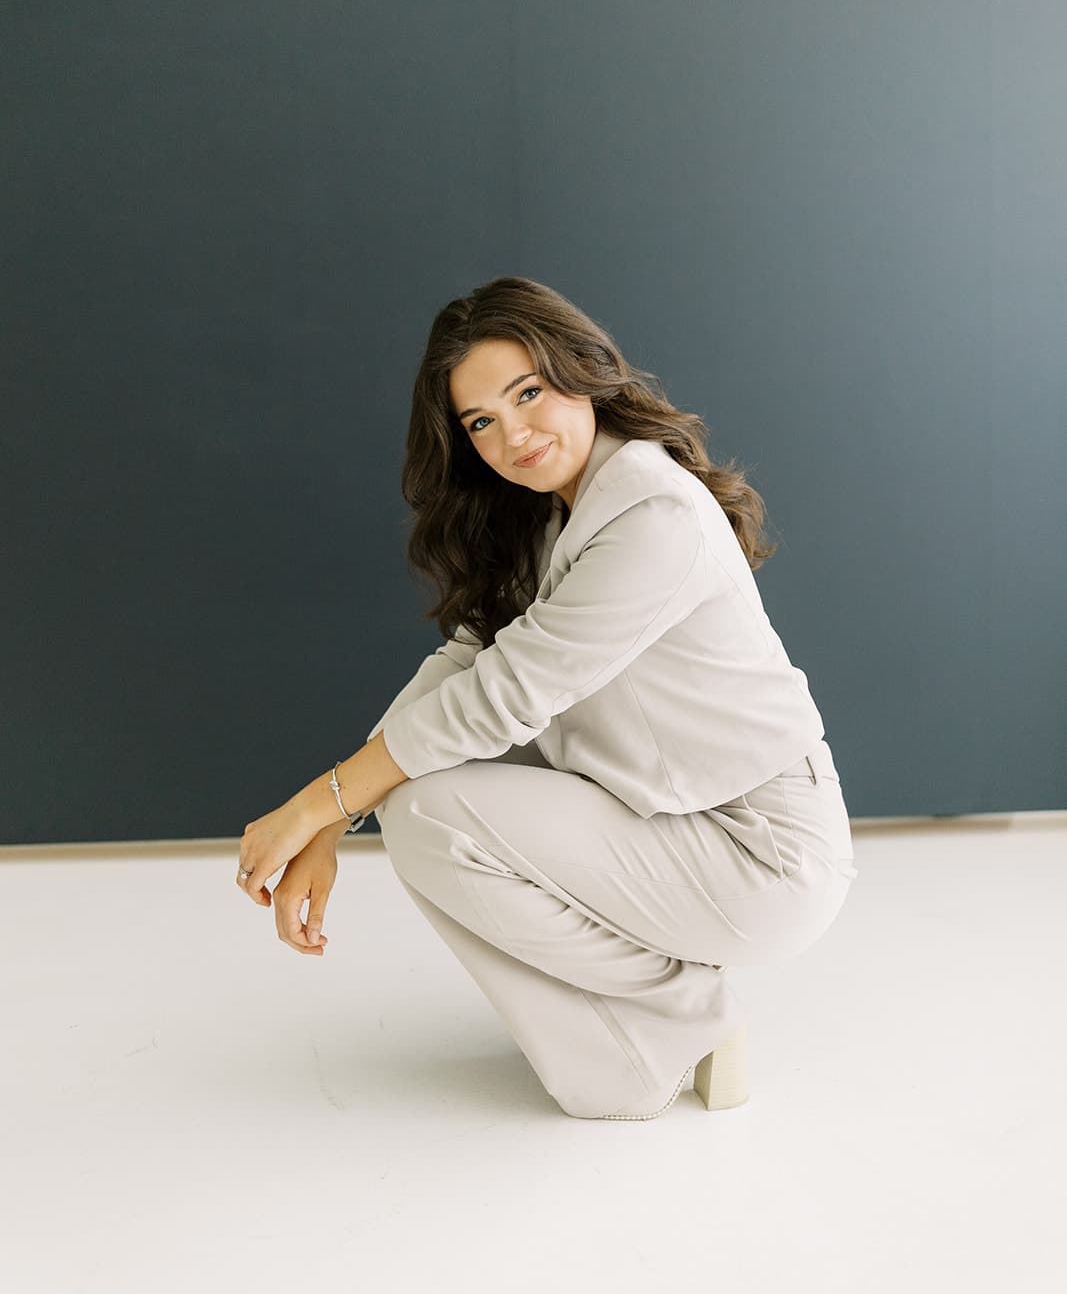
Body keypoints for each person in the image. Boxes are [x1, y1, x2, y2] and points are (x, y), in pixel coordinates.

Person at [236, 275, 859, 1121]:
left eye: (527, 392)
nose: (514, 434)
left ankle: (689, 1012)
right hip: (663, 817)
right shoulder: (549, 516)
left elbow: (504, 697)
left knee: (428, 811)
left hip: (759, 849)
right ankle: (637, 1049)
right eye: (481, 422)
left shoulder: (652, 513)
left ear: (584, 369)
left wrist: (316, 803)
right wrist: (334, 817)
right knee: (422, 812)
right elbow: (464, 663)